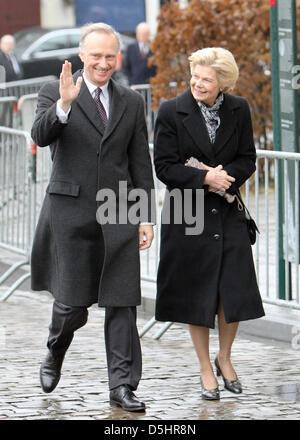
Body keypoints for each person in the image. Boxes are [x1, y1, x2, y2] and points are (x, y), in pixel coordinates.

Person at [30, 22, 155, 412]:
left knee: (122, 302)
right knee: (72, 305)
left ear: (118, 58)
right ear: (82, 56)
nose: (103, 63)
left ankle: (122, 385)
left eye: (109, 56)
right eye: (96, 56)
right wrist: (64, 105)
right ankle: (55, 350)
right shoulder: (56, 90)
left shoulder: (131, 101)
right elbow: (40, 134)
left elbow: (139, 163)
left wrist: (145, 217)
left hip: (118, 212)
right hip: (69, 212)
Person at [154, 47, 265, 400]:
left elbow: (248, 157)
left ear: (223, 82)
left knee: (231, 288)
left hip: (228, 210)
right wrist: (204, 180)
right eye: (195, 76)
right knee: (196, 292)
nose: (198, 83)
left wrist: (224, 178)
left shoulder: (239, 109)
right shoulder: (172, 111)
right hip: (188, 213)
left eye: (207, 79)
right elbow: (165, 167)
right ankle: (205, 367)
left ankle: (225, 357)